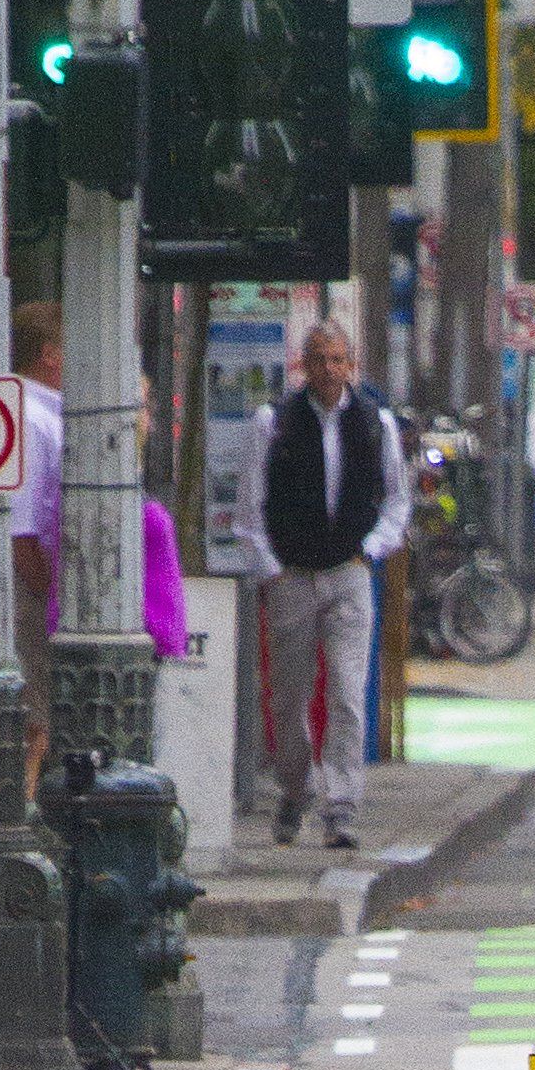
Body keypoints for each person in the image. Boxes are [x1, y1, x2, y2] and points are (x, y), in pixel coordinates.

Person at [234, 321, 409, 850]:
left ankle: (341, 804)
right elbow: (250, 504)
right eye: (319, 360)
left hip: (348, 573)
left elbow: (397, 501)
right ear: (303, 366)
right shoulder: (275, 423)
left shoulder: (375, 424)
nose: (330, 370)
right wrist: (269, 567)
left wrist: (372, 549)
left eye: (338, 360)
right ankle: (295, 787)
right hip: (292, 574)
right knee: (288, 696)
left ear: (350, 364)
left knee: (347, 691)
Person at [11, 300, 67, 794]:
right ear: (50, 353)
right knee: (37, 718)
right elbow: (21, 526)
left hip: (37, 580)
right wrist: (45, 593)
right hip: (27, 584)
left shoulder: (47, 414)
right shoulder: (29, 417)